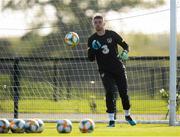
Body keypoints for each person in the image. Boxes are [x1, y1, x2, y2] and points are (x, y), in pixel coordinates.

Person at [87, 14, 136, 127]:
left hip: (118, 68)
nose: (98, 24)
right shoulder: (92, 39)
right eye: (95, 22)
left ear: (104, 23)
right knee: (110, 92)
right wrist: (94, 49)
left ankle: (127, 115)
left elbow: (126, 46)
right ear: (93, 24)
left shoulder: (112, 34)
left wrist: (125, 52)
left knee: (124, 93)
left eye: (100, 22)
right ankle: (111, 120)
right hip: (105, 70)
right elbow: (90, 58)